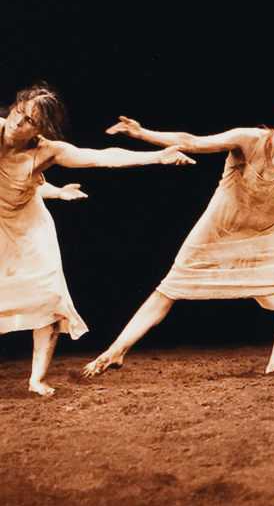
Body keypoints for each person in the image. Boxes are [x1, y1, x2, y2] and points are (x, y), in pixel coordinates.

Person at [83, 101, 274, 378]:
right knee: (170, 288)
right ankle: (115, 351)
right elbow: (193, 142)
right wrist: (141, 133)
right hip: (220, 226)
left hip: (269, 230)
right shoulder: (249, 138)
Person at [0, 83, 193, 395]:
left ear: (42, 128)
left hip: (30, 225)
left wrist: (157, 157)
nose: (17, 123)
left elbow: (103, 157)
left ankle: (36, 378)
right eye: (17, 114)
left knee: (49, 296)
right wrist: (57, 192)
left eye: (29, 121)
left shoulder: (49, 151)